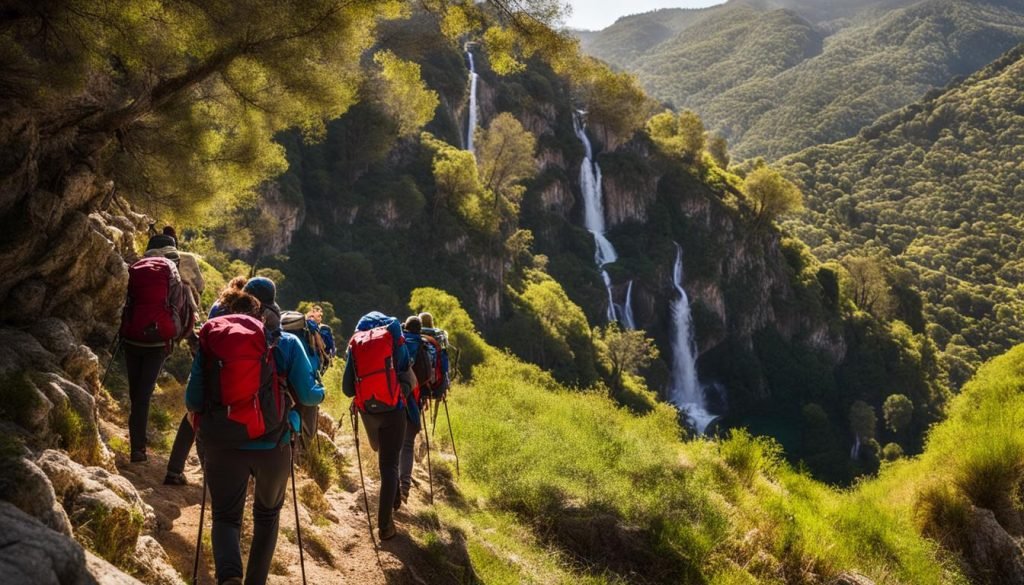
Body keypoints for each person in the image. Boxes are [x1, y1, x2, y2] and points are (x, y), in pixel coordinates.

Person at [186, 283, 324, 585]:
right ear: (265, 308)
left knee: (225, 517)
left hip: (222, 445)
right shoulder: (286, 342)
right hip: (273, 444)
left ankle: (229, 577)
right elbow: (310, 396)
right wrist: (319, 389)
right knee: (267, 516)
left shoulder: (213, 340)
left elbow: (192, 401)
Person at [163, 276, 247, 486]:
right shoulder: (247, 310)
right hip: (234, 373)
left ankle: (174, 469)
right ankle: (220, 476)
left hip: (208, 366)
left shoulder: (218, 307)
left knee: (194, 414)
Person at [342, 311, 415, 540]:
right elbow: (404, 367)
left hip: (369, 412)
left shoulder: (356, 343)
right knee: (389, 465)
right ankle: (385, 527)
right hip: (393, 409)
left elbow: (347, 389)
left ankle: (392, 500)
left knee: (383, 455)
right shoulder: (392, 337)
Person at [120, 248, 195, 463]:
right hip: (157, 342)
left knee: (136, 393)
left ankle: (137, 444)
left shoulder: (137, 271)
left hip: (132, 337)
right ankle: (138, 449)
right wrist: (175, 337)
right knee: (143, 394)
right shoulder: (175, 280)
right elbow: (182, 312)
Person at [398, 315, 429, 504]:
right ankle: (404, 487)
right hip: (411, 403)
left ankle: (392, 486)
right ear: (420, 330)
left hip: (391, 400)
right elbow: (427, 375)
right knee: (407, 445)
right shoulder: (422, 346)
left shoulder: (397, 343)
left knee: (392, 446)